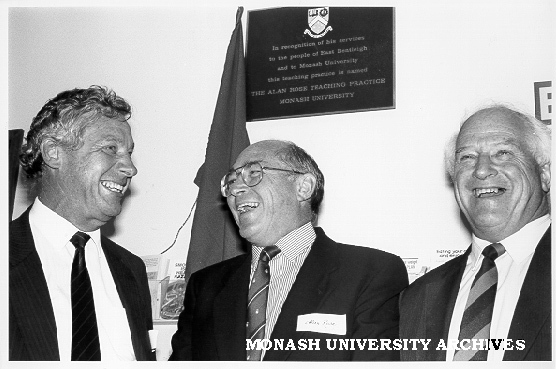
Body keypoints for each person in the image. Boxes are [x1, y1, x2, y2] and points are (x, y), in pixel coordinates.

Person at [170, 139, 408, 361]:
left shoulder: (372, 273)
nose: (235, 190)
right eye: (231, 180)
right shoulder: (205, 285)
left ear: (304, 187)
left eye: (253, 173)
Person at [9, 86, 155, 361]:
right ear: (53, 152)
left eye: (129, 152)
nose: (130, 168)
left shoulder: (131, 271)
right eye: (111, 148)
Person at [399, 105, 551, 361]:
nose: (481, 170)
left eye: (503, 153)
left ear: (545, 174)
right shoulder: (418, 297)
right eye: (466, 157)